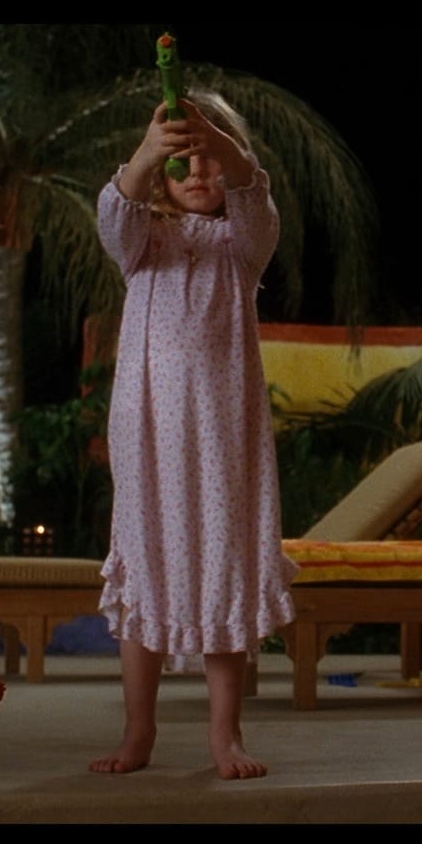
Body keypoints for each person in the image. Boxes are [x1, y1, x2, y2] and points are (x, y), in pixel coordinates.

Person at [88, 92, 297, 780]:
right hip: (148, 432)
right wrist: (152, 149)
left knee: (222, 565)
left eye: (210, 159)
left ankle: (224, 734)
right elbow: (115, 211)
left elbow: (252, 194)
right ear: (162, 176)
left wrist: (216, 140)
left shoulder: (242, 245)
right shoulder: (143, 241)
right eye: (183, 163)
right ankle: (138, 729)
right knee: (144, 562)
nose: (200, 171)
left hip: (222, 437)